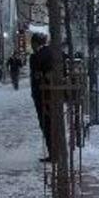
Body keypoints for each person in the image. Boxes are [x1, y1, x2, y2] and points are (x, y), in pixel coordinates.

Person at [28, 34, 55, 162]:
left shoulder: (37, 57)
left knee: (46, 124)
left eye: (32, 43)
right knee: (50, 124)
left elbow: (37, 75)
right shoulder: (50, 52)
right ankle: (55, 152)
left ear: (35, 43)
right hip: (50, 94)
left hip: (43, 95)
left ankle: (53, 153)